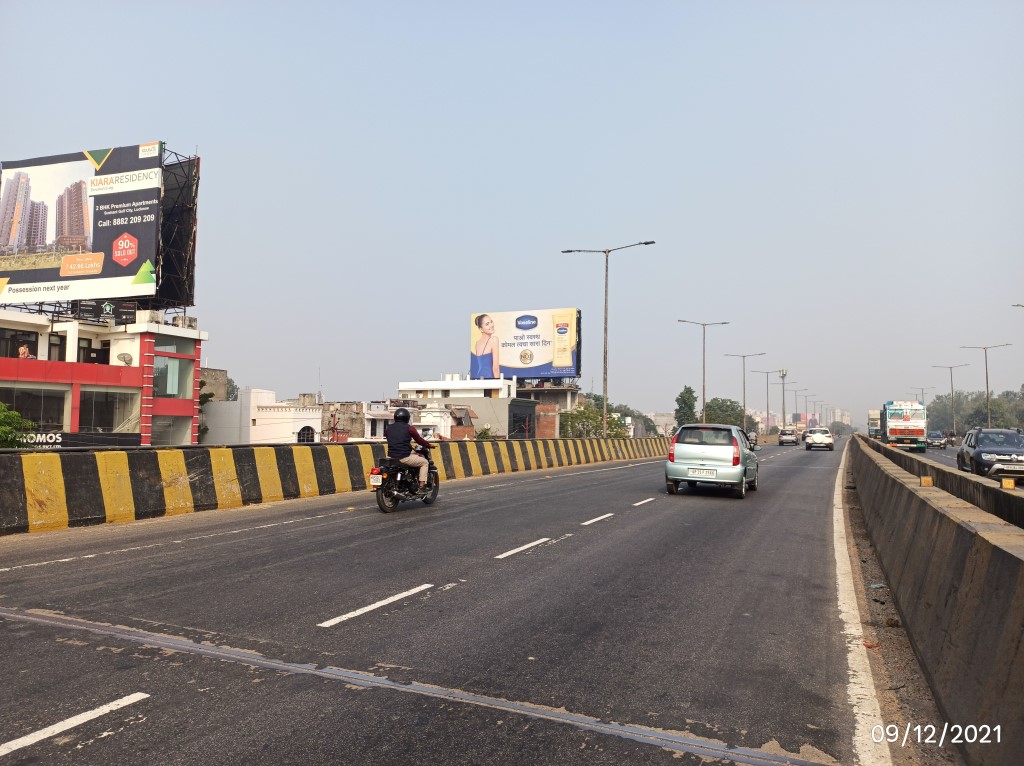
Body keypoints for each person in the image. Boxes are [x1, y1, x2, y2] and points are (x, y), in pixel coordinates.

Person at [385, 407, 433, 493]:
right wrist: (428, 445)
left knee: (413, 456)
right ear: (407, 418)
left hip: (391, 456)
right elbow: (419, 440)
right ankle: (422, 486)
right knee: (425, 462)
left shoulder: (388, 428)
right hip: (404, 457)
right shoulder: (410, 428)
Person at [470, 313, 500, 379]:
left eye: (491, 322)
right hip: (490, 378)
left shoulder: (477, 343)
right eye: (487, 324)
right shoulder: (494, 340)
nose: (491, 325)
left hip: (479, 378)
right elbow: (495, 368)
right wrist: (498, 384)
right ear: (481, 329)